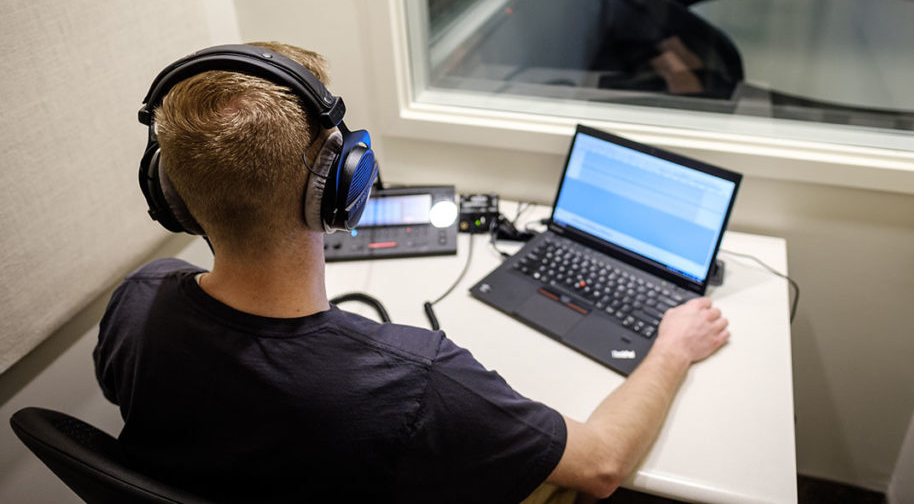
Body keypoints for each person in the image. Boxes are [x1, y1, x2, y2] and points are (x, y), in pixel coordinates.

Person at [94, 41, 730, 503]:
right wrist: (672, 347)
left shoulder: (137, 301)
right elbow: (603, 467)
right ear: (343, 185)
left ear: (170, 194)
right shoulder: (419, 378)